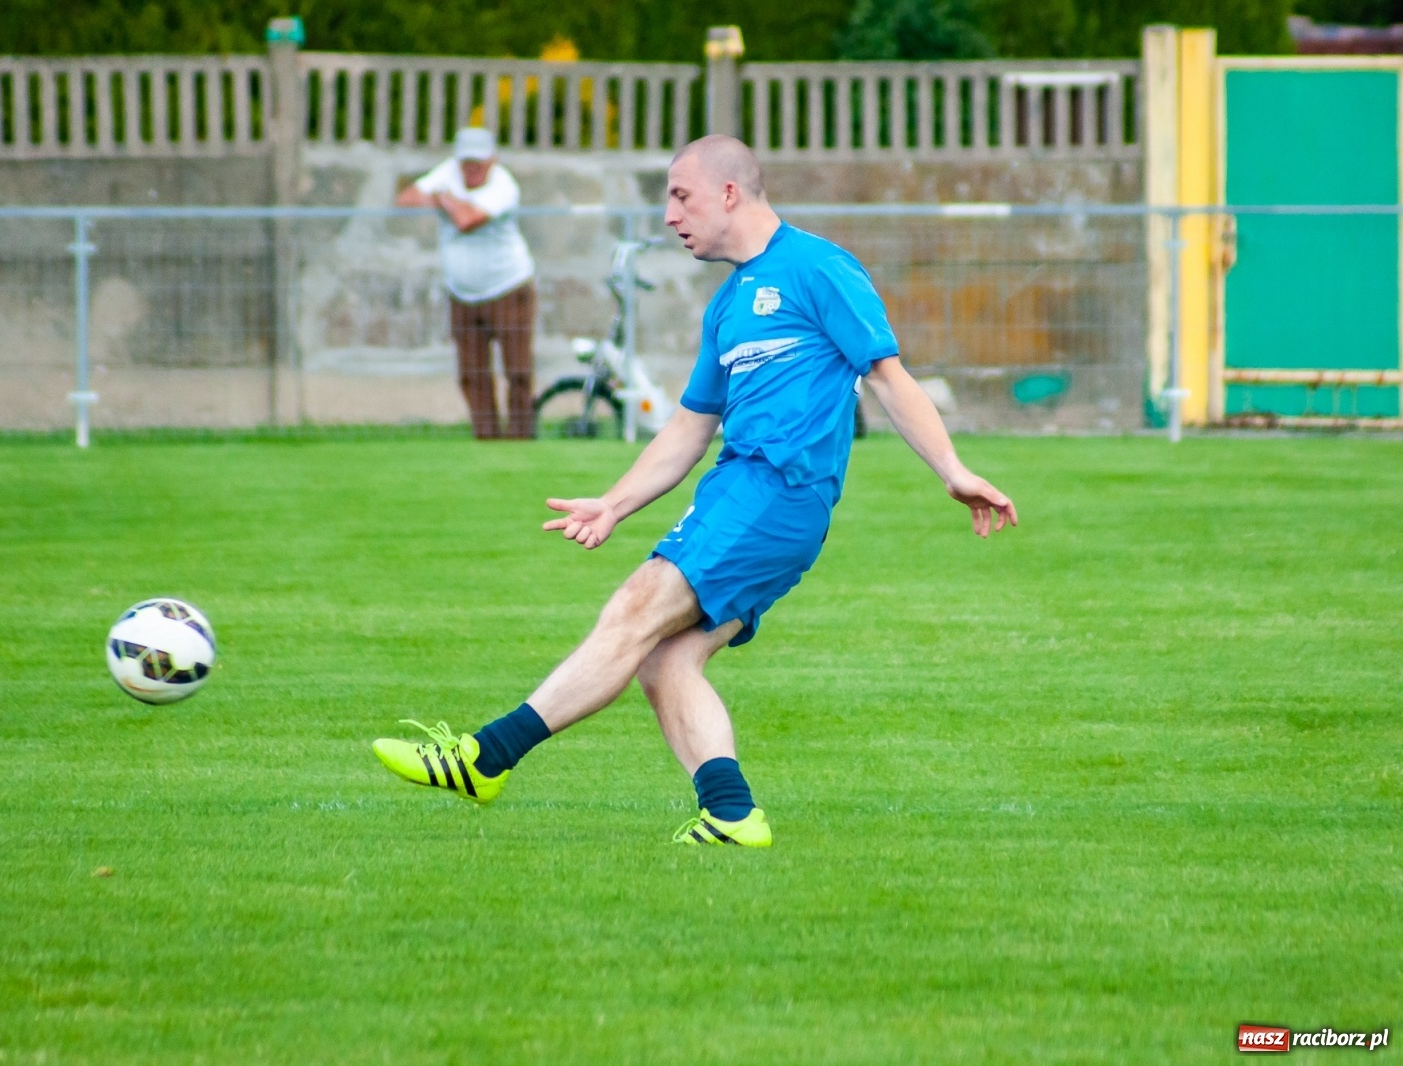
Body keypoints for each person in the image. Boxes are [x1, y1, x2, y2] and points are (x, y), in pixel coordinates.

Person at [373, 135, 1018, 847]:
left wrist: (953, 470)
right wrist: (613, 503)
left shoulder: (817, 268)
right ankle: (732, 815)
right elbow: (686, 429)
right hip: (740, 492)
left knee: (635, 606)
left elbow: (890, 379)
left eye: (681, 196)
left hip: (776, 490)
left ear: (730, 193)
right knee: (664, 657)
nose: (670, 216)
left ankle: (483, 758)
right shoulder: (726, 307)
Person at [396, 127, 537, 439]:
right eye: (465, 163)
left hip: (508, 287)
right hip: (461, 293)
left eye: (477, 162)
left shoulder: (504, 185)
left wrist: (443, 197)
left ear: (491, 160)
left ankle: (520, 439)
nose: (470, 169)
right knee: (472, 373)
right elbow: (405, 199)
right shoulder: (447, 173)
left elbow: (467, 220)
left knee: (517, 370)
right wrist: (448, 199)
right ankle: (486, 438)